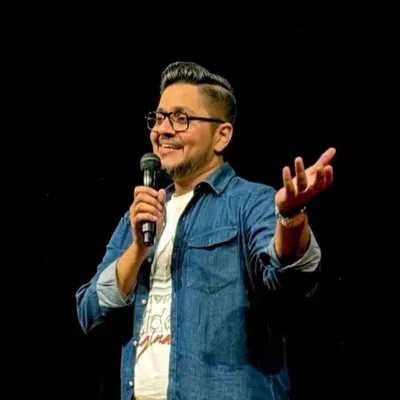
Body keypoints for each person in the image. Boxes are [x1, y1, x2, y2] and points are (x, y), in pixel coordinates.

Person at [75, 60, 335, 400]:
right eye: (158, 118)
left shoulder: (249, 202)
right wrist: (138, 249)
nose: (163, 130)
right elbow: (90, 313)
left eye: (180, 118)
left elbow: (288, 284)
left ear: (222, 135)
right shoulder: (137, 218)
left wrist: (290, 216)